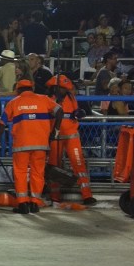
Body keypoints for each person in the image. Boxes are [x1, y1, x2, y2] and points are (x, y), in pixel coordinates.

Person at [1, 79, 62, 214]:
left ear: (18, 90)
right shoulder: (44, 99)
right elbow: (60, 111)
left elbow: (2, 122)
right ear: (32, 89)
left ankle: (22, 204)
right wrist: (55, 131)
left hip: (21, 145)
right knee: (38, 173)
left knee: (20, 173)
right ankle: (35, 203)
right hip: (41, 145)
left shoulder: (14, 102)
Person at [46, 75, 96, 206]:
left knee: (79, 164)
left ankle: (87, 195)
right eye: (61, 88)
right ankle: (54, 196)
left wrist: (78, 113)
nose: (64, 90)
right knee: (54, 167)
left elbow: (76, 112)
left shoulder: (71, 97)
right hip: (55, 138)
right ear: (54, 87)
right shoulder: (48, 99)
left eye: (65, 88)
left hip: (71, 136)